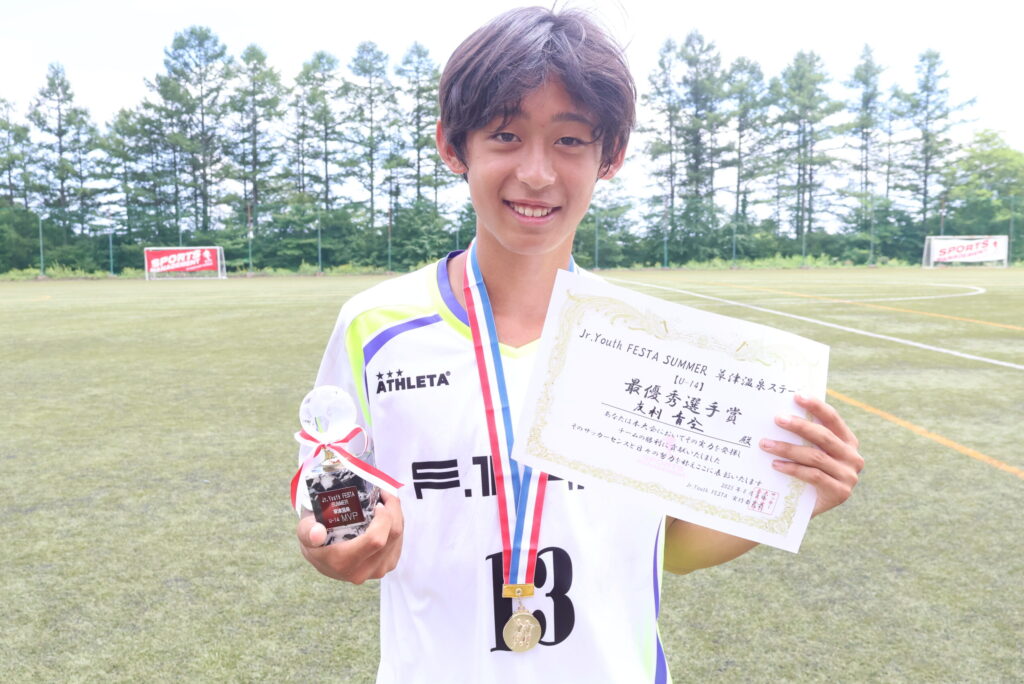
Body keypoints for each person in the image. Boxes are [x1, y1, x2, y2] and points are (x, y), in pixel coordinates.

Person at [295, 7, 863, 682]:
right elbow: (334, 503)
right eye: (506, 135)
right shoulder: (374, 328)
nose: (537, 173)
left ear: (610, 156)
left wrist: (793, 498)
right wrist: (332, 547)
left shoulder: (647, 348)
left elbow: (670, 548)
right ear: (453, 146)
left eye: (569, 141)